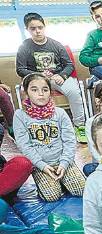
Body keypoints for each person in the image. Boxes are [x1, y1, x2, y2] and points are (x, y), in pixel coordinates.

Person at [13, 73, 85, 202]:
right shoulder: (20, 115)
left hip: (62, 161)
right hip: (41, 165)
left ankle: (63, 179)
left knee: (81, 190)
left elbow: (69, 141)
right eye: (34, 90)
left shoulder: (60, 113)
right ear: (26, 92)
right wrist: (42, 166)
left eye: (45, 90)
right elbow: (24, 146)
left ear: (50, 92)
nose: (40, 94)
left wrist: (64, 163)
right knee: (52, 197)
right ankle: (54, 182)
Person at [16, 12, 88, 142]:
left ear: (44, 26)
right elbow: (20, 69)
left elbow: (69, 65)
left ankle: (79, 126)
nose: (37, 31)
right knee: (27, 93)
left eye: (40, 27)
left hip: (57, 77)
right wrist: (38, 75)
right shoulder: (24, 47)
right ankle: (35, 126)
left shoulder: (56, 44)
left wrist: (62, 75)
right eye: (33, 28)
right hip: (36, 79)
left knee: (73, 91)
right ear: (27, 29)